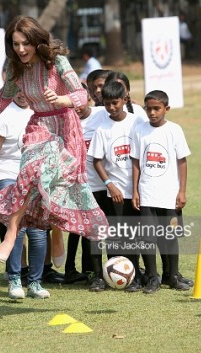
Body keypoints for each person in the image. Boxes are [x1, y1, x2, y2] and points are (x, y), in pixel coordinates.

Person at [0, 15, 107, 265]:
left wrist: (61, 100)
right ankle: (11, 232)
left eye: (25, 44)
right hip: (39, 124)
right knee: (29, 175)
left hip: (64, 126)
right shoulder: (15, 67)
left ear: (36, 41)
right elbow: (2, 98)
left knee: (49, 180)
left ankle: (57, 233)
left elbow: (82, 96)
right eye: (16, 44)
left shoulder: (56, 61)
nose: (20, 49)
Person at [0, 90, 50, 299]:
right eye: (18, 90)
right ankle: (14, 280)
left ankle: (35, 282)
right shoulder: (3, 116)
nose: (23, 94)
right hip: (10, 176)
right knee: (17, 230)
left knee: (38, 232)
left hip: (36, 178)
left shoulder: (40, 113)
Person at [87, 81, 148, 292]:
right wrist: (109, 184)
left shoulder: (137, 121)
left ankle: (137, 275)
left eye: (115, 103)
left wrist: (140, 187)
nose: (111, 108)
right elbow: (96, 160)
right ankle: (110, 275)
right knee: (115, 236)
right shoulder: (102, 129)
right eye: (107, 104)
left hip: (138, 190)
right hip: (117, 192)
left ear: (125, 99)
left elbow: (141, 155)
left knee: (136, 235)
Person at [131, 90, 192, 292]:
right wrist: (135, 190)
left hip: (169, 196)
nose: (152, 113)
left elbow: (182, 162)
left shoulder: (175, 130)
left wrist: (182, 191)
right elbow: (136, 163)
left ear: (166, 109)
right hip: (147, 194)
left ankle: (173, 276)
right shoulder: (139, 130)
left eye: (156, 108)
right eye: (148, 109)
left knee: (170, 236)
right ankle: (152, 278)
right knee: (148, 237)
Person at [63, 83, 105, 285]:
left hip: (102, 184)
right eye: (71, 102)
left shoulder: (101, 115)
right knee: (77, 228)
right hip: (77, 184)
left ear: (87, 97)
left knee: (99, 230)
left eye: (78, 100)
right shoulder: (66, 120)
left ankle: (98, 269)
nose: (76, 105)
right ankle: (73, 269)